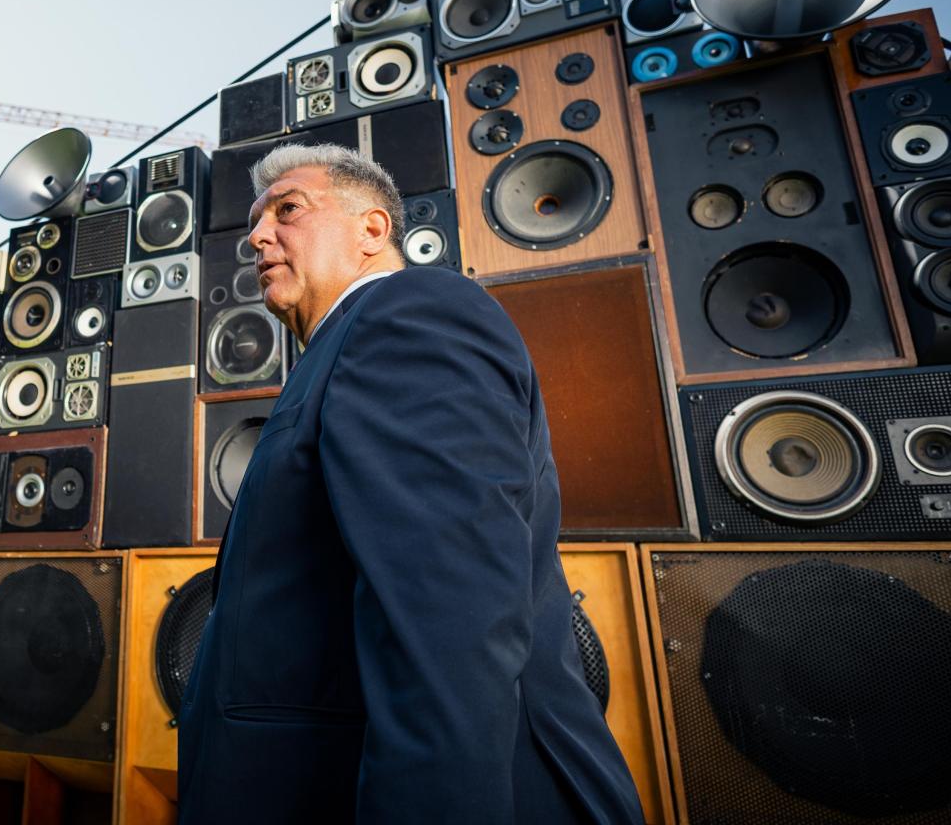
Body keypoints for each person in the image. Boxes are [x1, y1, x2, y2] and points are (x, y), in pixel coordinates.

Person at [176, 143, 644, 824]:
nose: (255, 235)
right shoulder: (343, 345)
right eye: (255, 220)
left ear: (373, 229)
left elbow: (450, 616)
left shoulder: (408, 312)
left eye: (288, 209)